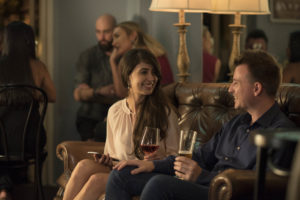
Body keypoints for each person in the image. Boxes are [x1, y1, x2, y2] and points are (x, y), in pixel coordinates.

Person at [105, 50, 295, 200]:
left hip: (228, 195)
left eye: (236, 83)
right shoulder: (236, 123)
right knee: (121, 176)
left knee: (159, 185)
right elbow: (198, 157)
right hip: (207, 185)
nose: (230, 89)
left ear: (256, 88)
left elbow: (263, 186)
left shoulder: (281, 133)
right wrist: (152, 165)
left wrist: (202, 176)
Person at [63, 49, 179, 200]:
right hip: (120, 169)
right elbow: (111, 154)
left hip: (151, 173)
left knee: (96, 181)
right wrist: (106, 159)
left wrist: (161, 157)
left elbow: (176, 158)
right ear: (128, 77)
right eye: (144, 72)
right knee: (83, 166)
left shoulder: (164, 112)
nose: (151, 78)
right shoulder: (115, 111)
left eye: (154, 73)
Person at [0, 21, 56, 200]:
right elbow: (52, 96)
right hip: (31, 138)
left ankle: (3, 188)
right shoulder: (38, 66)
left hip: (2, 140)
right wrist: (32, 94)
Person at [74, 14, 119, 142]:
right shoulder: (88, 56)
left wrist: (91, 92)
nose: (102, 37)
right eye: (98, 32)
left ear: (115, 30)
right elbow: (78, 94)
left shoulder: (124, 55)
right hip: (91, 117)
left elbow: (123, 93)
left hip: (117, 116)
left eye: (106, 32)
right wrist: (99, 91)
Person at [110, 21, 174, 97]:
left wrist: (112, 62)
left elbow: (122, 94)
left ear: (133, 36)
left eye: (117, 36)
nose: (113, 43)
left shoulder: (140, 58)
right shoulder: (153, 52)